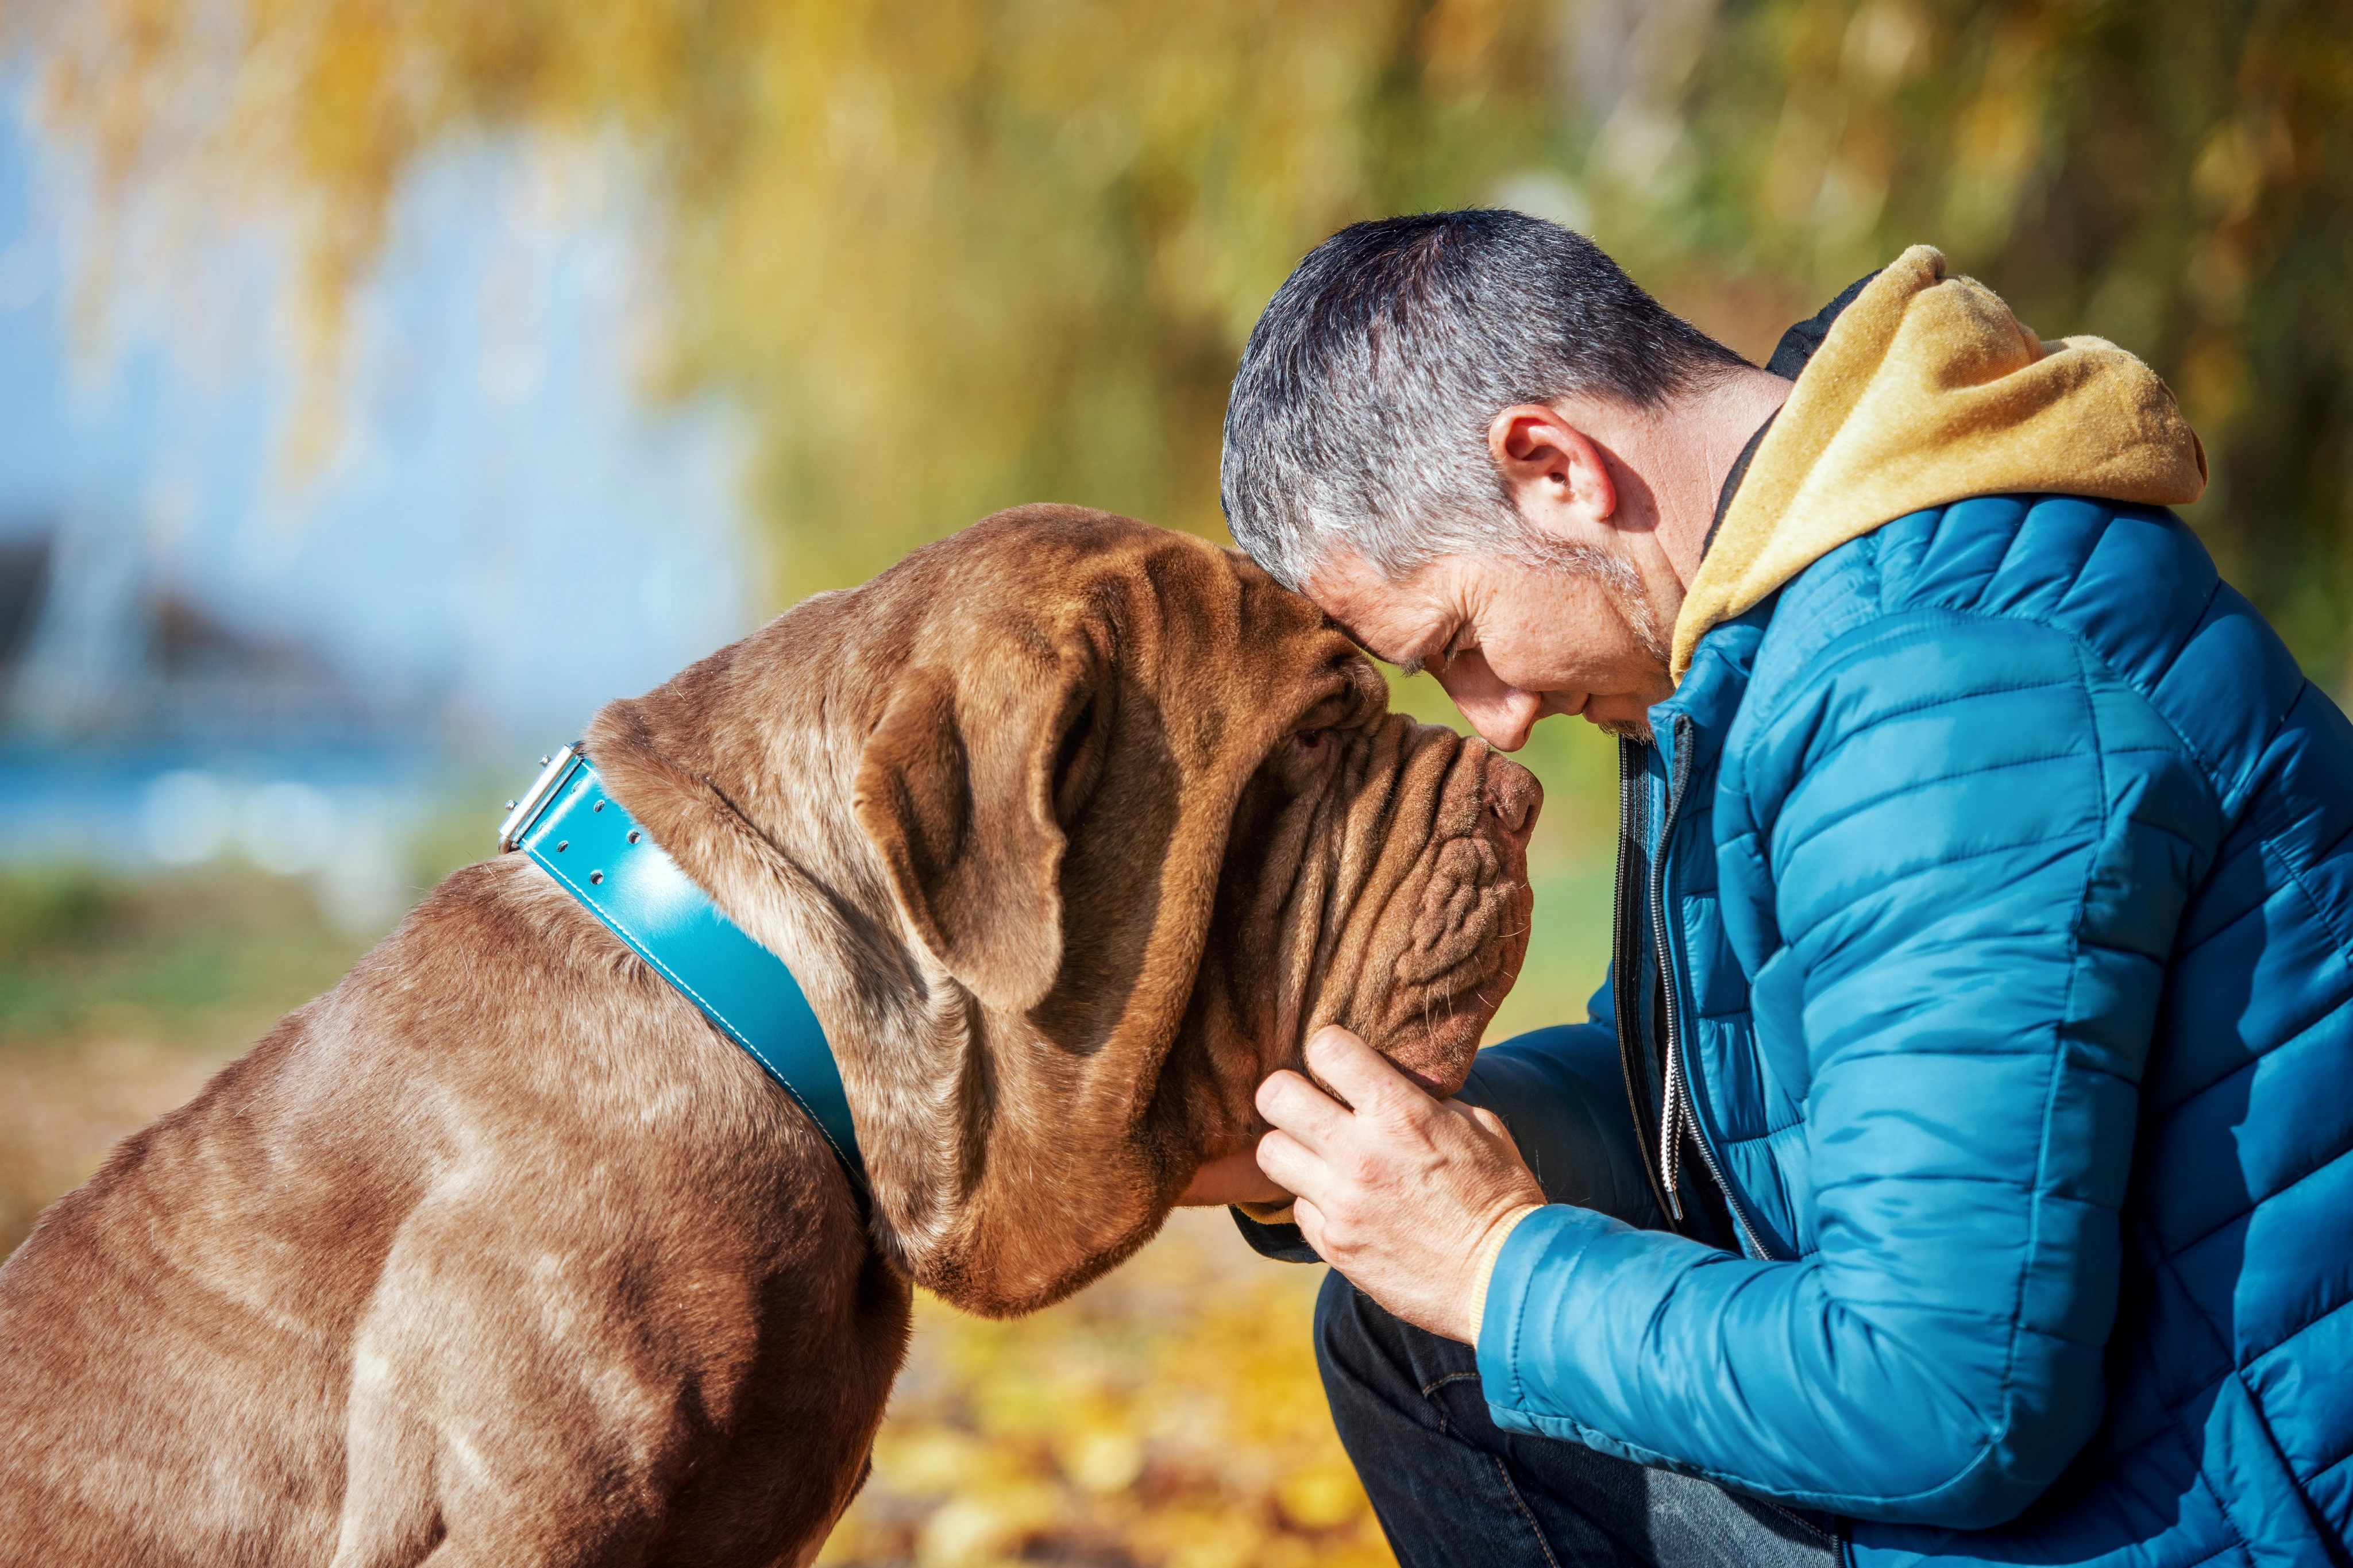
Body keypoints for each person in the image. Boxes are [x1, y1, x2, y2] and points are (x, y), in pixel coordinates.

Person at [1205, 210, 2353, 1567]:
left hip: (2195, 1520)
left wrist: (1487, 1263)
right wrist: (1349, 1143)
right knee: (1400, 1324)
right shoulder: (1777, 628)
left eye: (1456, 642)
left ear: (1551, 465)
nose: (1493, 718)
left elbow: (1945, 1401)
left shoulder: (1938, 684)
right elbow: (1711, 1105)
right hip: (2110, 1469)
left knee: (1442, 1335)